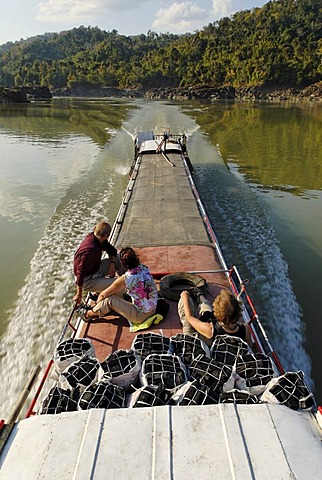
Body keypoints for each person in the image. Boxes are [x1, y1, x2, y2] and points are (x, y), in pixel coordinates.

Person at [77, 247, 158, 324]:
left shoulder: (126, 278)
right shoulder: (144, 268)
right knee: (120, 291)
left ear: (123, 264)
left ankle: (88, 314)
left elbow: (103, 294)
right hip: (153, 307)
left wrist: (97, 304)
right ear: (136, 258)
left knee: (110, 300)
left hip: (141, 316)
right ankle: (99, 308)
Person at [178, 288, 252, 349]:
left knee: (187, 313)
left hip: (203, 346)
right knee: (207, 310)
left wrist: (185, 297)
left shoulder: (210, 330)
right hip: (222, 349)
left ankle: (199, 297)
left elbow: (189, 318)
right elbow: (249, 347)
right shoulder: (246, 329)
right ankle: (200, 296)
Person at [73, 221, 124, 305]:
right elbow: (80, 272)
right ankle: (124, 292)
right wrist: (79, 294)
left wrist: (112, 264)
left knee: (119, 258)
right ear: (107, 235)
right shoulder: (90, 250)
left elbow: (112, 251)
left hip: (95, 269)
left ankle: (128, 279)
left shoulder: (97, 239)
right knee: (119, 283)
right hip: (87, 280)